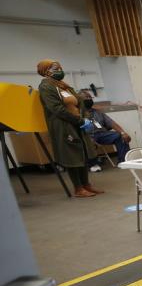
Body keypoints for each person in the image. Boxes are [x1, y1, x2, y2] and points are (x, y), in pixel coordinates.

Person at [36, 59, 104, 198]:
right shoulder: (46, 86)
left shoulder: (63, 86)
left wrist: (85, 117)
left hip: (77, 123)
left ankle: (86, 185)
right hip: (64, 125)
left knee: (82, 154)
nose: (59, 70)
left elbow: (80, 102)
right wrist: (79, 120)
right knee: (72, 156)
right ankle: (78, 188)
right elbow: (56, 108)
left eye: (60, 67)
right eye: (55, 68)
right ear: (45, 71)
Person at [79, 90, 131, 168]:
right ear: (80, 100)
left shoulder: (98, 112)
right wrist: (88, 138)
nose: (89, 99)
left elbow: (111, 123)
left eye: (90, 97)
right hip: (87, 136)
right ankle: (93, 164)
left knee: (120, 136)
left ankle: (123, 161)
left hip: (102, 134)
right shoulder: (78, 113)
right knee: (87, 142)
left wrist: (123, 133)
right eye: (86, 97)